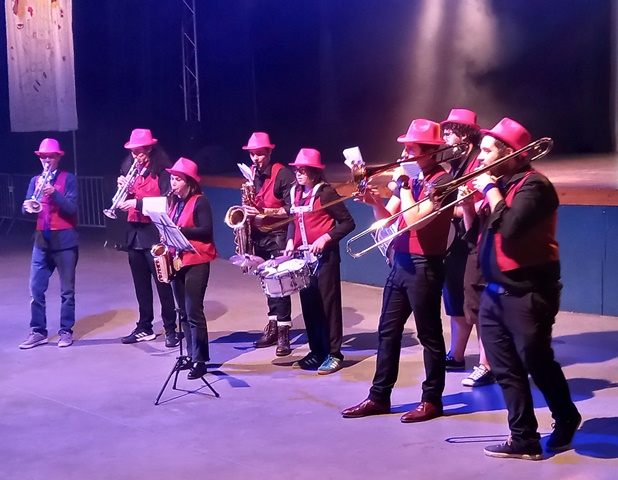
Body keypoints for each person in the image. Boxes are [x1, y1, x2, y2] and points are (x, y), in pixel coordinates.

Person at [461, 117, 581, 459]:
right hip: (495, 293)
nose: (479, 158)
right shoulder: (499, 187)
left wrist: (488, 190)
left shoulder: (535, 186)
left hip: (528, 293)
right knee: (505, 369)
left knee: (537, 362)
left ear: (511, 153)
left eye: (486, 151)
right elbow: (476, 240)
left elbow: (511, 228)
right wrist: (470, 207)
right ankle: (524, 438)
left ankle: (566, 416)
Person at [342, 119, 455, 422]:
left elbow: (417, 219)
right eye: (404, 148)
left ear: (429, 152)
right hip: (400, 262)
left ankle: (432, 400)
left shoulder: (443, 182)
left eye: (411, 149)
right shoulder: (412, 180)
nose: (404, 154)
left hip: (424, 265)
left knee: (429, 335)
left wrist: (404, 184)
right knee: (387, 332)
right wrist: (375, 201)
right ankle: (379, 396)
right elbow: (390, 220)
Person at [283, 148, 355, 374]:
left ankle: (334, 354)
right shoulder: (295, 193)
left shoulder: (325, 193)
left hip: (325, 258)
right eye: (297, 170)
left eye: (304, 170)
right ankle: (316, 352)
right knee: (309, 306)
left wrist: (327, 237)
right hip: (303, 259)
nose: (299, 174)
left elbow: (347, 223)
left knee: (329, 307)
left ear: (314, 172)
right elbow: (294, 221)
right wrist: (289, 241)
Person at [440, 108, 495, 387]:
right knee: (456, 301)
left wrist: (442, 211)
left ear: (464, 135)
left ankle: (486, 364)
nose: (444, 136)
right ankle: (457, 354)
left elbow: (474, 207)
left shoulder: (476, 163)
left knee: (478, 304)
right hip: (457, 241)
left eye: (449, 131)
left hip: (473, 240)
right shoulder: (457, 163)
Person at [116, 128, 179, 347]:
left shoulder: (162, 172)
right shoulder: (130, 171)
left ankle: (171, 327)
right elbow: (127, 205)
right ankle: (145, 326)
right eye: (133, 152)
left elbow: (165, 204)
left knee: (162, 282)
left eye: (139, 151)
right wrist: (123, 192)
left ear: (150, 149)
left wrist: (137, 203)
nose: (136, 156)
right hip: (134, 233)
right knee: (140, 284)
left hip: (155, 233)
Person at [19, 138, 78, 349]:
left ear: (58, 158)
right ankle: (38, 331)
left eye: (50, 156)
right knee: (35, 289)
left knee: (67, 291)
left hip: (65, 242)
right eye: (43, 156)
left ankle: (65, 331)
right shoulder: (35, 181)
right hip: (41, 240)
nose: (46, 160)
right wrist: (27, 208)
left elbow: (71, 208)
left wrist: (55, 194)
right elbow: (26, 207)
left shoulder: (68, 178)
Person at [241, 132, 296, 356]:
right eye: (252, 154)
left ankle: (284, 332)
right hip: (258, 235)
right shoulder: (252, 173)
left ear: (269, 152)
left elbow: (291, 208)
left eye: (260, 154)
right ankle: (273, 325)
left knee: (279, 285)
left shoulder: (282, 174)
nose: (255, 158)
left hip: (278, 235)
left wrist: (265, 212)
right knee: (266, 284)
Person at [166, 158, 218, 379]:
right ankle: (189, 355)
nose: (173, 183)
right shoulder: (175, 203)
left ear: (189, 182)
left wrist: (179, 230)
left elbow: (206, 230)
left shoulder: (200, 201)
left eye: (178, 179)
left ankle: (200, 360)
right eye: (172, 178)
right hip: (178, 261)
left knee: (194, 311)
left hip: (196, 261)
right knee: (183, 313)